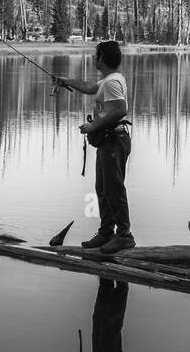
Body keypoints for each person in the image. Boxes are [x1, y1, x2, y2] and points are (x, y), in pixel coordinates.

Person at [57, 41, 134, 254]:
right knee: (103, 188)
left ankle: (124, 236)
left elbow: (120, 110)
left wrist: (93, 126)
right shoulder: (110, 80)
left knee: (114, 188)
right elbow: (91, 88)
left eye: (95, 54)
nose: (93, 57)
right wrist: (66, 82)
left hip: (114, 140)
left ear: (101, 57)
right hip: (109, 141)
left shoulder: (111, 83)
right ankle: (106, 233)